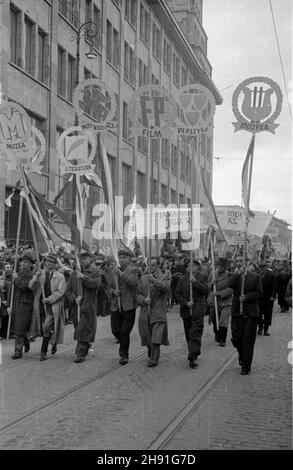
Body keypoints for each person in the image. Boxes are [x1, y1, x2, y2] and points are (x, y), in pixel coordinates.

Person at [137, 257, 171, 367]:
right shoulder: (142, 278)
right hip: (146, 311)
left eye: (153, 265)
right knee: (147, 335)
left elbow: (165, 288)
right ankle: (150, 349)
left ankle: (154, 358)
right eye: (149, 265)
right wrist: (143, 300)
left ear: (157, 266)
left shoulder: (165, 276)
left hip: (158, 311)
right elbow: (137, 294)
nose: (150, 267)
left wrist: (154, 281)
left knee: (157, 336)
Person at [229, 263, 263, 375]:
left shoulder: (255, 277)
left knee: (248, 341)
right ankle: (242, 355)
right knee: (236, 339)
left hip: (250, 313)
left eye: (243, 263)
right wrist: (237, 274)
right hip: (237, 312)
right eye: (238, 262)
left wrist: (247, 297)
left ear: (248, 265)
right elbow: (231, 284)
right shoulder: (236, 275)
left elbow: (259, 293)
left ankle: (246, 366)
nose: (240, 265)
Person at [175, 259, 209, 369]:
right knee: (188, 333)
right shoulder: (182, 279)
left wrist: (195, 282)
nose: (190, 267)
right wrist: (185, 303)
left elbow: (205, 290)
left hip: (198, 310)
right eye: (188, 265)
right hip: (186, 310)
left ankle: (193, 356)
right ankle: (192, 351)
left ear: (197, 267)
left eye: (193, 265)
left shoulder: (202, 277)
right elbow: (177, 294)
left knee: (195, 332)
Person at [108, 249, 139, 365]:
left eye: (124, 257)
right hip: (116, 305)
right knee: (115, 330)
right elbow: (108, 287)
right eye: (120, 257)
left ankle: (124, 354)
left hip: (128, 305)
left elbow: (133, 282)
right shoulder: (113, 271)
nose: (121, 259)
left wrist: (121, 274)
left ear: (129, 259)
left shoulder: (134, 269)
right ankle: (123, 344)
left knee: (125, 331)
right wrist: (113, 292)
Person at [9, 254, 39, 359]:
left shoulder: (31, 275)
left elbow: (24, 286)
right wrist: (9, 304)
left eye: (26, 262)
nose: (23, 264)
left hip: (25, 304)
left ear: (30, 264)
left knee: (20, 328)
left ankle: (18, 352)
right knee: (16, 328)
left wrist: (16, 279)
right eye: (22, 262)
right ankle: (25, 341)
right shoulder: (16, 274)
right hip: (16, 304)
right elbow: (11, 291)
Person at [73, 252, 101, 363]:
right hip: (77, 305)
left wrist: (83, 278)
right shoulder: (77, 271)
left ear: (90, 260)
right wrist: (74, 297)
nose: (83, 261)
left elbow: (96, 284)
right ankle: (84, 346)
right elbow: (70, 288)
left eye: (85, 259)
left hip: (88, 304)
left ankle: (81, 353)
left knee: (83, 329)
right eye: (82, 259)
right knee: (80, 329)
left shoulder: (95, 272)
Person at [39, 253, 66, 361]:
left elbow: (61, 292)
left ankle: (43, 351)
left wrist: (49, 299)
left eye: (51, 262)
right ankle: (52, 342)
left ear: (55, 264)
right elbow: (34, 286)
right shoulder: (41, 274)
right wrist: (36, 277)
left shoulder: (60, 276)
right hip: (41, 305)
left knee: (46, 326)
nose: (48, 263)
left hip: (53, 305)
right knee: (42, 327)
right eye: (47, 261)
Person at [207, 257, 232, 347]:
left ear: (225, 267)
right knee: (214, 319)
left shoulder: (229, 275)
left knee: (223, 320)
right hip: (214, 301)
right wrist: (212, 283)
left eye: (222, 266)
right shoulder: (212, 274)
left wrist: (219, 293)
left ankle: (223, 339)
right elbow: (207, 286)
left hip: (226, 302)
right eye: (219, 265)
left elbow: (231, 289)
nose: (220, 268)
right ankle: (217, 333)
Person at [257, 262, 277, 336]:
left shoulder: (271, 274)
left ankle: (266, 329)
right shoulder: (257, 275)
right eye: (261, 267)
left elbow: (274, 286)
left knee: (268, 314)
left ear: (266, 267)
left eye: (264, 267)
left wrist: (273, 296)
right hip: (259, 298)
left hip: (268, 298)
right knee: (258, 314)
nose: (263, 269)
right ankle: (260, 327)